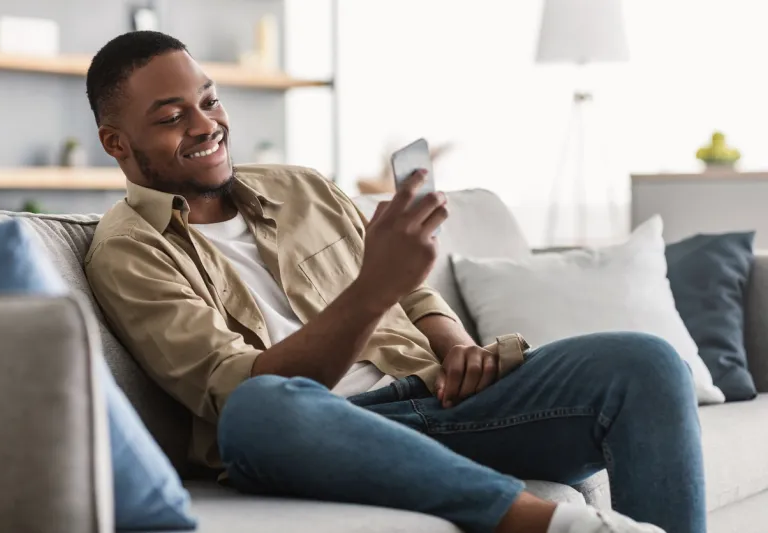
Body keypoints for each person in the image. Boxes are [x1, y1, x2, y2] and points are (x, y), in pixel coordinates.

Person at [84, 31, 705, 533]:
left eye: (209, 100)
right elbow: (236, 392)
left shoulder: (302, 187)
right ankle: (547, 524)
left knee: (645, 362)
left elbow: (410, 290)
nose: (205, 124)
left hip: (440, 404)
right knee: (258, 409)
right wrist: (372, 289)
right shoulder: (127, 251)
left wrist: (456, 345)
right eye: (171, 116)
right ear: (117, 142)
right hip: (318, 435)